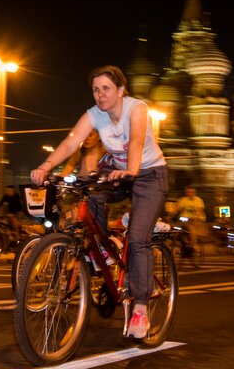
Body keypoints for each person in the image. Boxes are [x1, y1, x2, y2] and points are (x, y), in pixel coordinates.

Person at [30, 64, 167, 340]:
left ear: (121, 90)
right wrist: (45, 166)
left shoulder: (136, 108)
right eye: (95, 89)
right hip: (119, 172)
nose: (100, 94)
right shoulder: (94, 114)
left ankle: (141, 308)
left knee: (137, 240)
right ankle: (103, 250)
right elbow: (71, 143)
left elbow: (137, 140)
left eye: (106, 88)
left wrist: (132, 169)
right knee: (88, 193)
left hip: (150, 175)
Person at [172, 185, 208, 251]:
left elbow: (200, 211)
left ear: (194, 192)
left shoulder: (199, 200)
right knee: (177, 228)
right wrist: (170, 216)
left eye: (191, 192)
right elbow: (177, 209)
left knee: (192, 229)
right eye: (188, 192)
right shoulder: (183, 200)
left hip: (197, 219)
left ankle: (193, 245)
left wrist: (195, 217)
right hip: (185, 219)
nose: (190, 194)